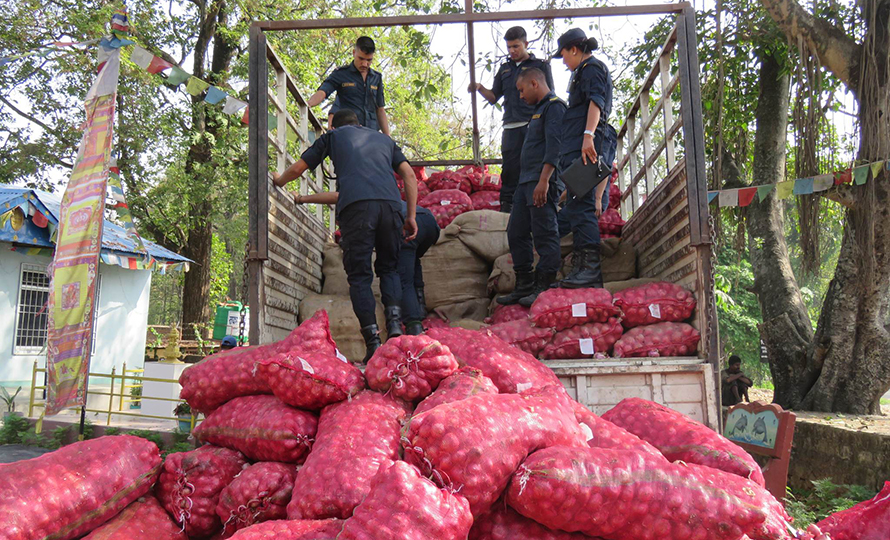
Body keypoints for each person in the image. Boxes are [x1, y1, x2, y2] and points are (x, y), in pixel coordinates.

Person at [272, 109, 417, 362]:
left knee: (360, 276)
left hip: (357, 209)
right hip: (391, 206)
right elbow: (410, 175)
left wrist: (279, 181)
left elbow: (298, 169)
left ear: (334, 126)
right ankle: (394, 328)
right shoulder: (385, 140)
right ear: (359, 123)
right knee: (390, 269)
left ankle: (372, 342)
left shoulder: (333, 137)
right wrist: (411, 216)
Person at [551, 28, 617, 289]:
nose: (564, 61)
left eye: (564, 55)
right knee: (577, 206)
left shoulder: (591, 69)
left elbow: (596, 101)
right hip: (577, 147)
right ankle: (582, 267)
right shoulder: (582, 70)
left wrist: (588, 135)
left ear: (575, 49)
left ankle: (589, 269)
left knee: (583, 206)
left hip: (586, 147)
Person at [497, 67, 566, 307]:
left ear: (535, 83)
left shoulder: (554, 107)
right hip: (526, 182)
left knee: (545, 233)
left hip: (542, 182)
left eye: (521, 89)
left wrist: (545, 180)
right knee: (515, 232)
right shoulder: (538, 111)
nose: (520, 95)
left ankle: (544, 285)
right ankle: (524, 284)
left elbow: (555, 146)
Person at [469, 26, 554, 213]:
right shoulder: (505, 68)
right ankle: (508, 209)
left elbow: (549, 97)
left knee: (533, 166)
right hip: (511, 125)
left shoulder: (540, 66)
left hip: (533, 124)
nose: (512, 51)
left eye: (516, 46)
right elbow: (494, 97)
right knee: (509, 169)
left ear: (526, 44)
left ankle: (538, 206)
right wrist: (479, 87)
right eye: (509, 47)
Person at [308, 36, 390, 136]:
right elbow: (323, 91)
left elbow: (380, 109)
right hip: (348, 133)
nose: (364, 64)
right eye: (361, 58)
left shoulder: (376, 78)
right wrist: (309, 104)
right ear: (354, 53)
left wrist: (388, 138)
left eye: (369, 60)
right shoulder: (341, 73)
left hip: (370, 135)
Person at [398, 201, 439, 334]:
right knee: (413, 259)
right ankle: (421, 307)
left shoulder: (363, 208)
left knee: (404, 278)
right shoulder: (386, 195)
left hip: (409, 224)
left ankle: (413, 325)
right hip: (429, 222)